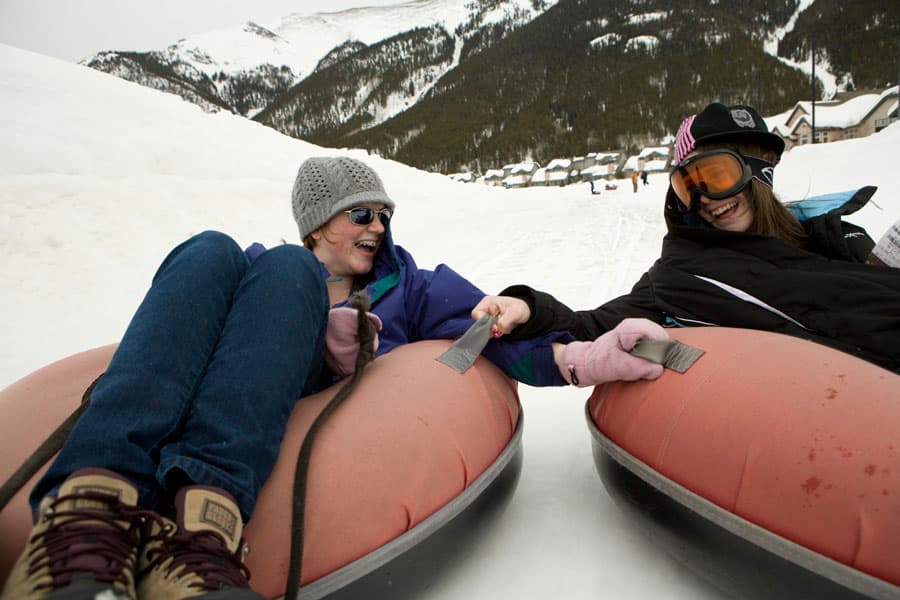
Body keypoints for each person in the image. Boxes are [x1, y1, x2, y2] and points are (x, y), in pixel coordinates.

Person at [2, 156, 668, 600]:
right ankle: (84, 520)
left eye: (383, 214)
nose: (378, 226)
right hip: (213, 366)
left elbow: (484, 335)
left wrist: (575, 351)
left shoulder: (411, 288)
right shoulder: (264, 270)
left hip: (255, 410)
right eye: (361, 213)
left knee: (282, 272)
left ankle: (198, 536)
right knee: (210, 250)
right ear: (318, 222)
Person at [473, 102, 900, 373]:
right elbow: (593, 326)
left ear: (759, 173)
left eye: (715, 176)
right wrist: (529, 307)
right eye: (687, 185)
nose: (706, 200)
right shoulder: (679, 278)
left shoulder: (835, 235)